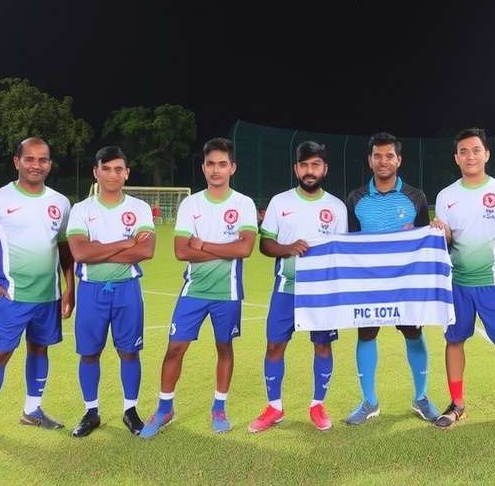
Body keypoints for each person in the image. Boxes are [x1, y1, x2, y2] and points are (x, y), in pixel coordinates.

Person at [141, 138, 257, 438]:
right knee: (175, 348)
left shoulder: (243, 203)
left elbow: (244, 249)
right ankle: (165, 408)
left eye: (222, 164)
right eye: (210, 164)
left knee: (224, 347)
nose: (215, 170)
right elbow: (181, 251)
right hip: (193, 291)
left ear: (232, 167)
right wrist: (224, 248)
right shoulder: (191, 204)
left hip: (227, 293)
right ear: (203, 167)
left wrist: (203, 243)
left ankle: (219, 407)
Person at [0, 138, 74, 449]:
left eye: (43, 159)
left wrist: (69, 288)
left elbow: (64, 249)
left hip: (48, 297)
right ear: (17, 161)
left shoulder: (61, 202)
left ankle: (32, 410)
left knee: (40, 350)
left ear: (50, 164)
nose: (36, 165)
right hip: (11, 297)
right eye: (29, 159)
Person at [248, 141, 348, 433]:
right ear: (296, 168)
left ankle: (318, 405)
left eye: (315, 164)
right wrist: (287, 247)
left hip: (322, 292)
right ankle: (274, 408)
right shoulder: (280, 203)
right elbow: (265, 245)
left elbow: (342, 251)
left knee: (322, 345)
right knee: (275, 345)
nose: (309, 170)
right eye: (304, 165)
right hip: (286, 288)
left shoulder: (336, 207)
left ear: (324, 169)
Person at [430, 128, 495, 431]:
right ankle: (457, 405)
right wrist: (440, 231)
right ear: (456, 158)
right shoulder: (446, 195)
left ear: (486, 154)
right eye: (463, 151)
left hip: (494, 283)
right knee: (454, 341)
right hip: (457, 284)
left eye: (475, 150)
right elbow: (445, 240)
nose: (470, 156)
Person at [344, 132, 439, 425]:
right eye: (377, 156)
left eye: (389, 156)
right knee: (366, 334)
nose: (383, 161)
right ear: (370, 160)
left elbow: (424, 243)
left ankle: (421, 397)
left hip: (405, 283)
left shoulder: (416, 196)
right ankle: (369, 402)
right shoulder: (356, 198)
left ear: (398, 160)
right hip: (369, 284)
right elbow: (349, 242)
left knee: (413, 333)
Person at [67, 146, 156, 437]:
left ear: (127, 173)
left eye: (119, 169)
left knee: (129, 353)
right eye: (106, 168)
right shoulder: (81, 210)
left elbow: (146, 249)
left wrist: (100, 250)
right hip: (91, 292)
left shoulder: (139, 208)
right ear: (96, 172)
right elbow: (80, 252)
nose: (112, 174)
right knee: (89, 354)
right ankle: (91, 412)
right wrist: (125, 243)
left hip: (127, 291)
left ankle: (130, 411)